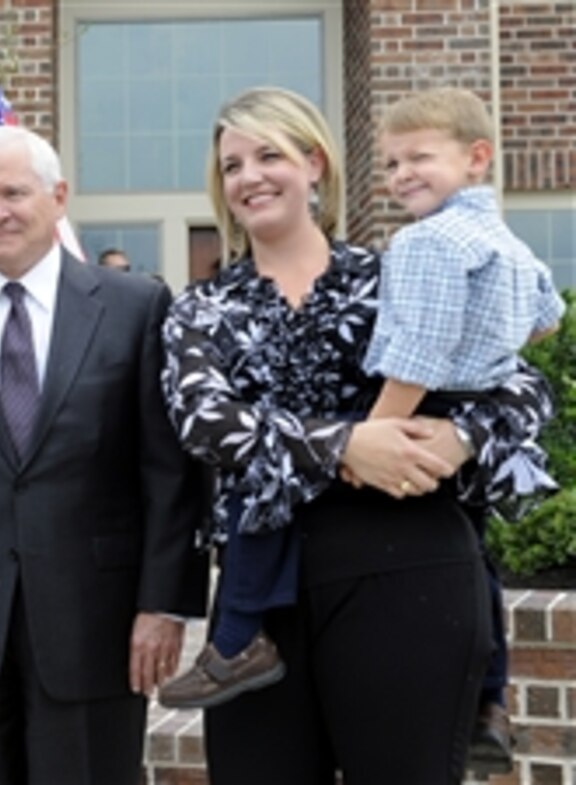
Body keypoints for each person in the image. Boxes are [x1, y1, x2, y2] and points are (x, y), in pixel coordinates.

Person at [158, 86, 554, 784]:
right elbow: (204, 420)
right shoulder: (202, 307)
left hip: (410, 569)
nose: (249, 176)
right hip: (260, 609)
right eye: (231, 165)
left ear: (315, 165)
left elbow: (521, 387)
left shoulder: (400, 269)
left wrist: (457, 439)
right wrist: (346, 445)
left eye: (269, 155)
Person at [0, 124, 208, 785]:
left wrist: (163, 602)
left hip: (99, 623)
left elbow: (169, 474)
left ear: (58, 196)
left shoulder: (136, 309)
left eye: (13, 192)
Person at [362, 86, 564, 774]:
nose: (400, 175)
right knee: (473, 557)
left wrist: (370, 439)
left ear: (477, 157)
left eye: (419, 157)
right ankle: (488, 701)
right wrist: (494, 350)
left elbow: (418, 354)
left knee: (417, 573)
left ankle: (450, 705)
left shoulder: (427, 240)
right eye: (391, 164)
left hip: (431, 412)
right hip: (486, 414)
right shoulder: (505, 241)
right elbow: (549, 318)